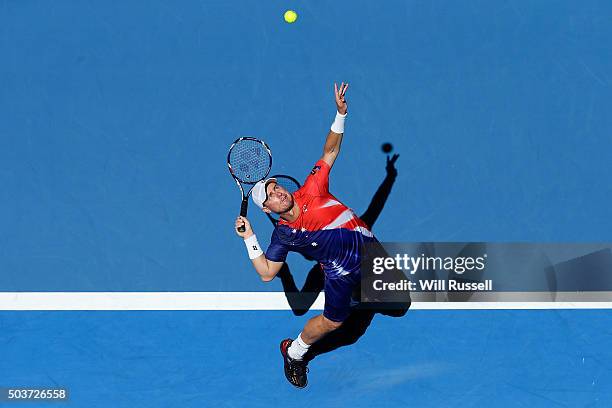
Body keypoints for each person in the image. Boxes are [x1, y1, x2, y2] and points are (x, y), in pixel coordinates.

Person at [234, 83, 406, 388]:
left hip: (369, 251)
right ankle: (295, 352)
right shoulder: (284, 236)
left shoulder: (313, 188)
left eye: (276, 187)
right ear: (266, 210)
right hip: (338, 274)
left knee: (399, 303)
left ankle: (360, 293)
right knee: (336, 325)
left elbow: (330, 150)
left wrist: (340, 115)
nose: (278, 193)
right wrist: (249, 237)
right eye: (271, 196)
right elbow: (266, 272)